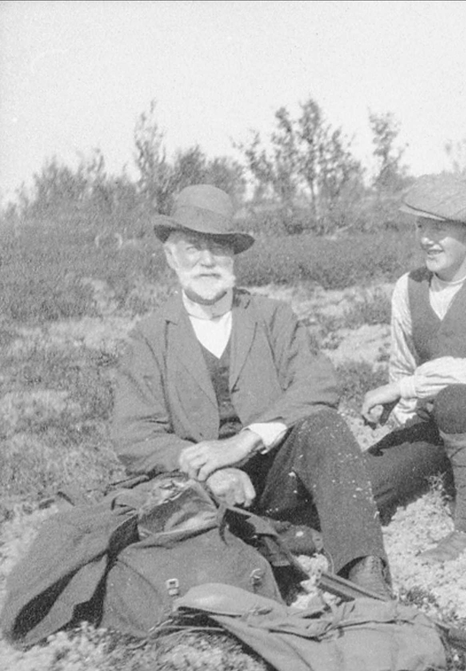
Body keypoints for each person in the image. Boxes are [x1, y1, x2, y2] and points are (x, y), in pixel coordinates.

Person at [111, 184, 391, 597]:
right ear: (171, 256)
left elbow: (318, 383)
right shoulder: (149, 337)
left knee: (326, 427)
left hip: (274, 472)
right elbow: (134, 435)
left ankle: (362, 574)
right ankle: (276, 536)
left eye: (220, 248)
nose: (207, 261)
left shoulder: (272, 316)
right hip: (203, 485)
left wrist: (246, 441)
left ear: (234, 257)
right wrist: (211, 467)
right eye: (193, 247)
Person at [361, 174, 466, 562]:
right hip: (435, 425)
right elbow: (403, 365)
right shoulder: (408, 288)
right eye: (421, 227)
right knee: (360, 483)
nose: (426, 239)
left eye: (439, 229)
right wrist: (400, 425)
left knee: (458, 401)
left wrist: (405, 389)